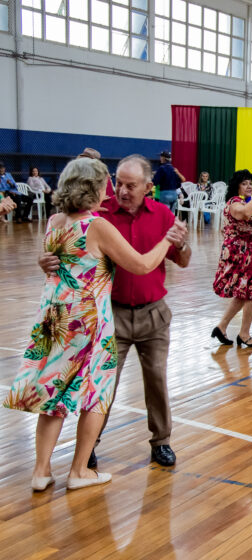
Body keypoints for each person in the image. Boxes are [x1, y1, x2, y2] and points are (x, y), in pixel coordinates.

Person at [5, 158, 174, 491]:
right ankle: (80, 470)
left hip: (55, 319)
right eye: (106, 185)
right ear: (95, 188)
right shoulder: (97, 226)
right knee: (97, 393)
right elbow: (140, 265)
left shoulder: (55, 221)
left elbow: (55, 261)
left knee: (54, 392)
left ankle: (41, 471)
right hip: (88, 322)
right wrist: (168, 241)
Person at [36, 154, 190, 470]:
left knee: (157, 381)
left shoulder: (162, 214)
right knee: (101, 387)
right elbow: (68, 256)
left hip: (153, 315)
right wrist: (46, 261)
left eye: (130, 185)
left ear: (148, 187)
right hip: (111, 317)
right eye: (118, 182)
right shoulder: (100, 216)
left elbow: (182, 260)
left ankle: (161, 441)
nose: (121, 190)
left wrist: (182, 244)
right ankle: (88, 449)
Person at [211, 170, 252, 348]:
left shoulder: (246, 203)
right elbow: (243, 214)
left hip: (249, 252)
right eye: (245, 183)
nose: (249, 186)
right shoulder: (235, 202)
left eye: (251, 183)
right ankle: (244, 334)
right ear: (237, 186)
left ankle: (222, 327)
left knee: (244, 294)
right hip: (240, 253)